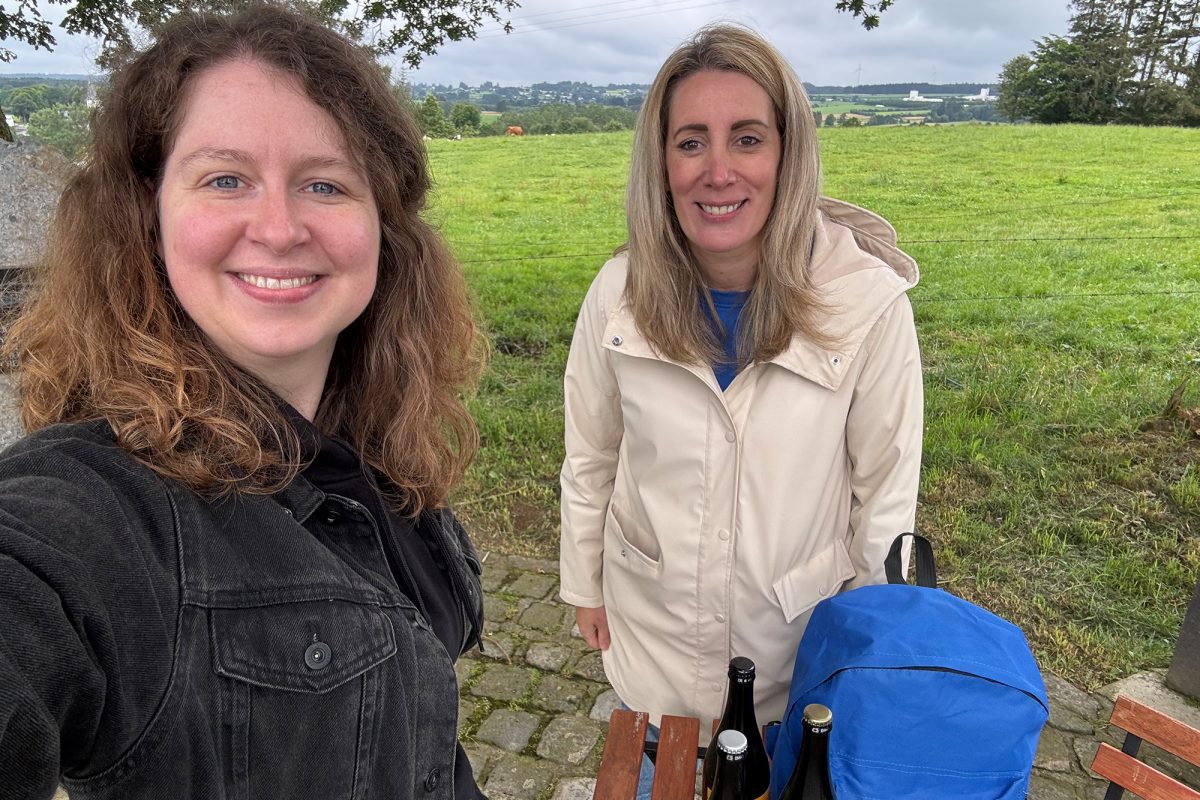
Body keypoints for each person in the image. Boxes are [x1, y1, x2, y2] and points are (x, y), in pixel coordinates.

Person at [0, 6, 486, 799]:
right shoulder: (96, 515)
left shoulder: (367, 446)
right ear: (148, 217)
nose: (279, 227)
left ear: (382, 228)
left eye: (324, 183)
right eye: (226, 179)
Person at [559, 22, 923, 745]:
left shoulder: (867, 304)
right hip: (652, 648)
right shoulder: (618, 293)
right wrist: (583, 581)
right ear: (660, 163)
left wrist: (863, 654)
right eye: (690, 141)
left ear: (788, 153)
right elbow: (591, 454)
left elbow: (885, 499)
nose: (717, 170)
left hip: (793, 661)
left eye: (747, 138)